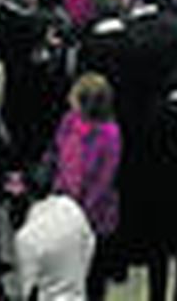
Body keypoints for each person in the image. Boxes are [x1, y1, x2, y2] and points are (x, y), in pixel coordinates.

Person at [49, 73, 123, 301]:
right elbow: (57, 152)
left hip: (94, 218)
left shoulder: (110, 134)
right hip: (64, 206)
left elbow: (103, 180)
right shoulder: (69, 120)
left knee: (93, 277)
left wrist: (81, 214)